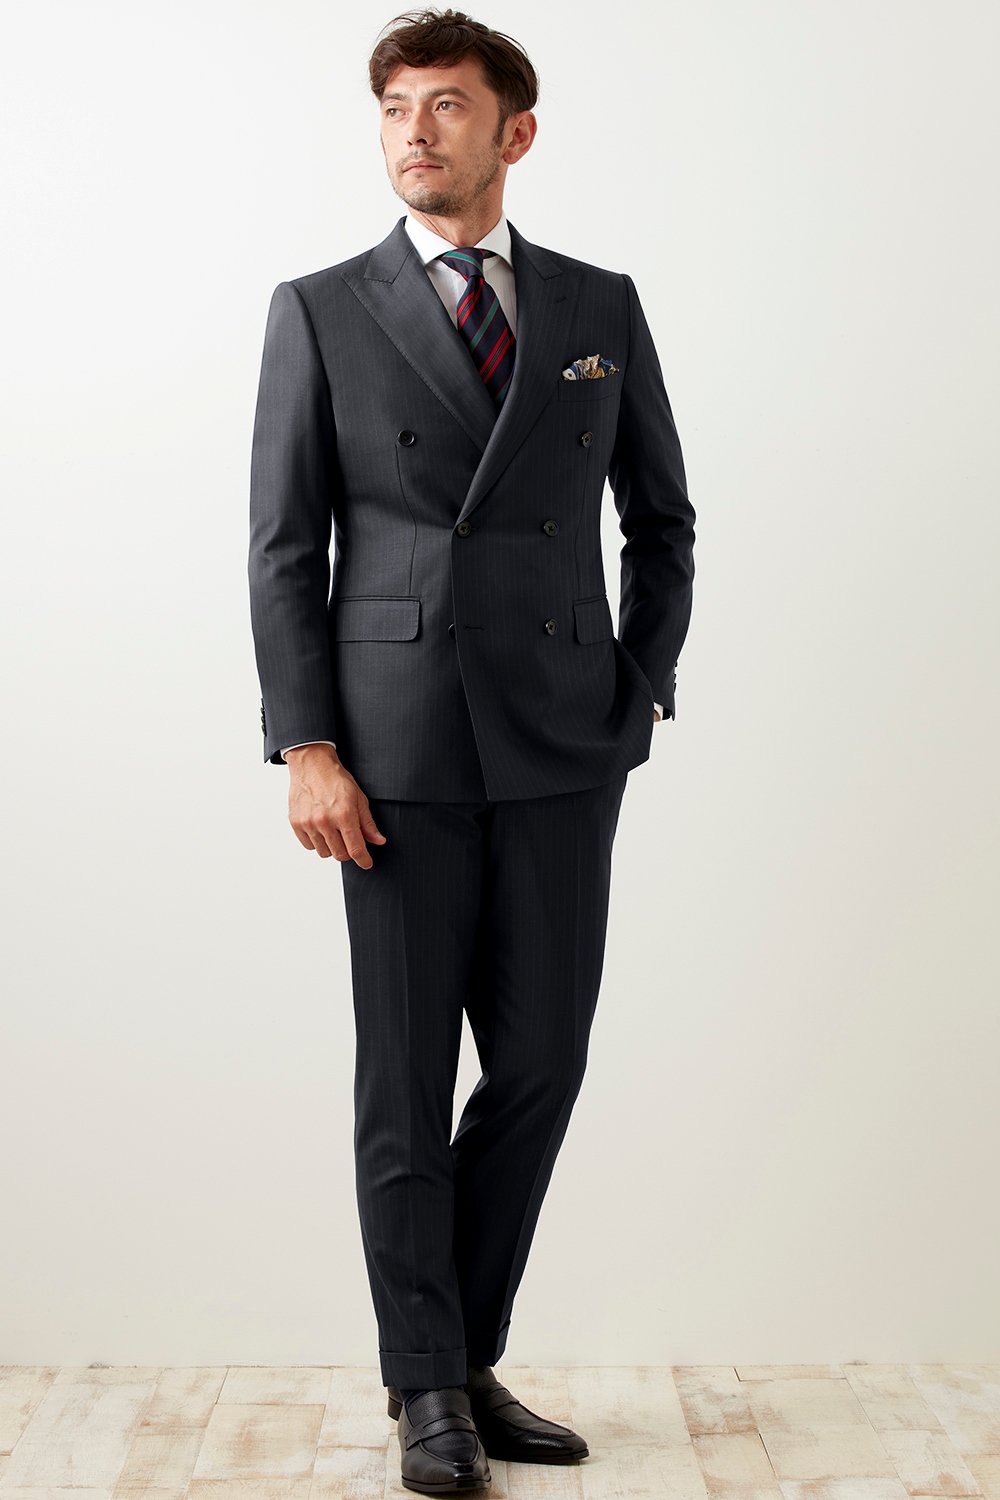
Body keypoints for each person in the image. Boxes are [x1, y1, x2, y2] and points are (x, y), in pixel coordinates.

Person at [248, 9, 695, 1493]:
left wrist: (639, 690)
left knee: (544, 1064)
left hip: (566, 745)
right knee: (403, 1085)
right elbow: (284, 547)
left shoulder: (597, 305)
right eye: (396, 107)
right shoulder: (321, 310)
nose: (415, 130)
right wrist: (307, 744)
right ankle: (427, 1385)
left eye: (446, 105)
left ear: (516, 131)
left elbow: (663, 520)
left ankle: (460, 1351)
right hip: (394, 756)